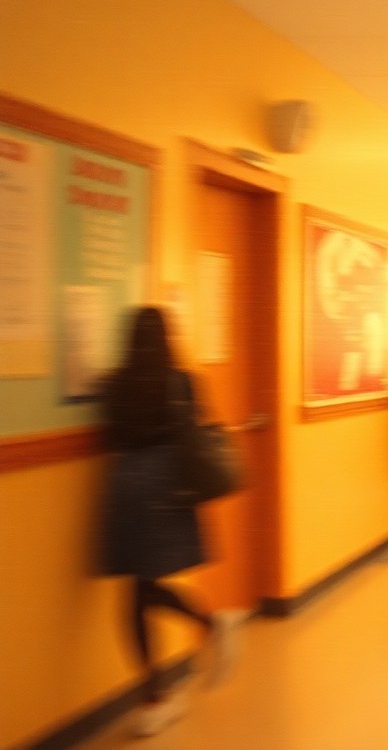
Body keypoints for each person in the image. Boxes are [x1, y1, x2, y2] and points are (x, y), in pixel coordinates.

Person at [98, 306, 241, 737]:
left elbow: (111, 437)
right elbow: (198, 428)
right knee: (142, 591)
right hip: (166, 486)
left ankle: (157, 692)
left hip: (127, 487)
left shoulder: (114, 384)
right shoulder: (181, 382)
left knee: (137, 594)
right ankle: (209, 625)